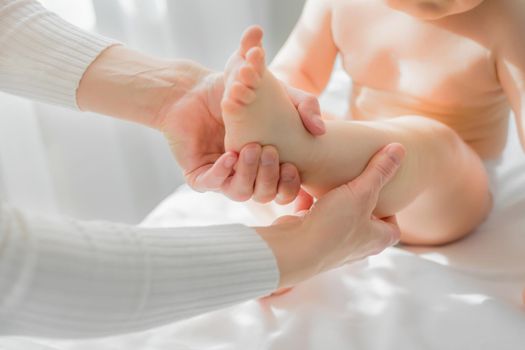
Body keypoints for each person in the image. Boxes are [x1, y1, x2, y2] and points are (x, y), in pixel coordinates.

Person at [0, 0, 404, 338]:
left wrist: (178, 93)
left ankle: (305, 148)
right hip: (314, 188)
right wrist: (298, 250)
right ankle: (300, 148)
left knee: (428, 139)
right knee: (282, 177)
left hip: (424, 189)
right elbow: (14, 273)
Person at [217, 0, 525, 246]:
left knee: (432, 139)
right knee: (310, 127)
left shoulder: (509, 16)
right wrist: (278, 95)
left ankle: (295, 156)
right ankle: (294, 232)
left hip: (446, 194)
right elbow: (300, 75)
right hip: (348, 161)